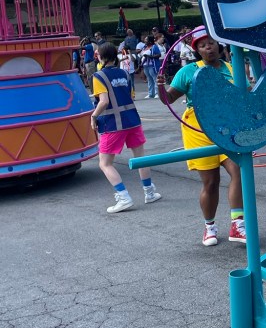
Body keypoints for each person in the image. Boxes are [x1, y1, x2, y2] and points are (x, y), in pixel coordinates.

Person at [157, 26, 246, 246]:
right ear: (197, 49)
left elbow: (242, 98)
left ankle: (238, 223)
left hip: (226, 127)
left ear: (219, 45)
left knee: (238, 170)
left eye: (212, 43)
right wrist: (161, 88)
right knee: (211, 181)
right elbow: (169, 99)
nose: (209, 48)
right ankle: (209, 227)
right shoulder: (188, 72)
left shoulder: (232, 68)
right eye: (203, 45)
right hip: (197, 128)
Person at [91, 42, 162, 213]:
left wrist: (93, 115)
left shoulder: (98, 76)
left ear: (100, 56)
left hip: (112, 124)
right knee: (140, 158)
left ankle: (123, 197)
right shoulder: (124, 73)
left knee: (105, 163)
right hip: (132, 120)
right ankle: (149, 192)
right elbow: (130, 96)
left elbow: (104, 101)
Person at [142, 32, 164, 99]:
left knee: (155, 78)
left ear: (150, 41)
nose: (145, 41)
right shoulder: (145, 47)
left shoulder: (154, 47)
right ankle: (151, 93)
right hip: (146, 65)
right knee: (149, 79)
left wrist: (150, 56)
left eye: (146, 40)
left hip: (152, 65)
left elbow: (158, 55)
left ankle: (157, 93)